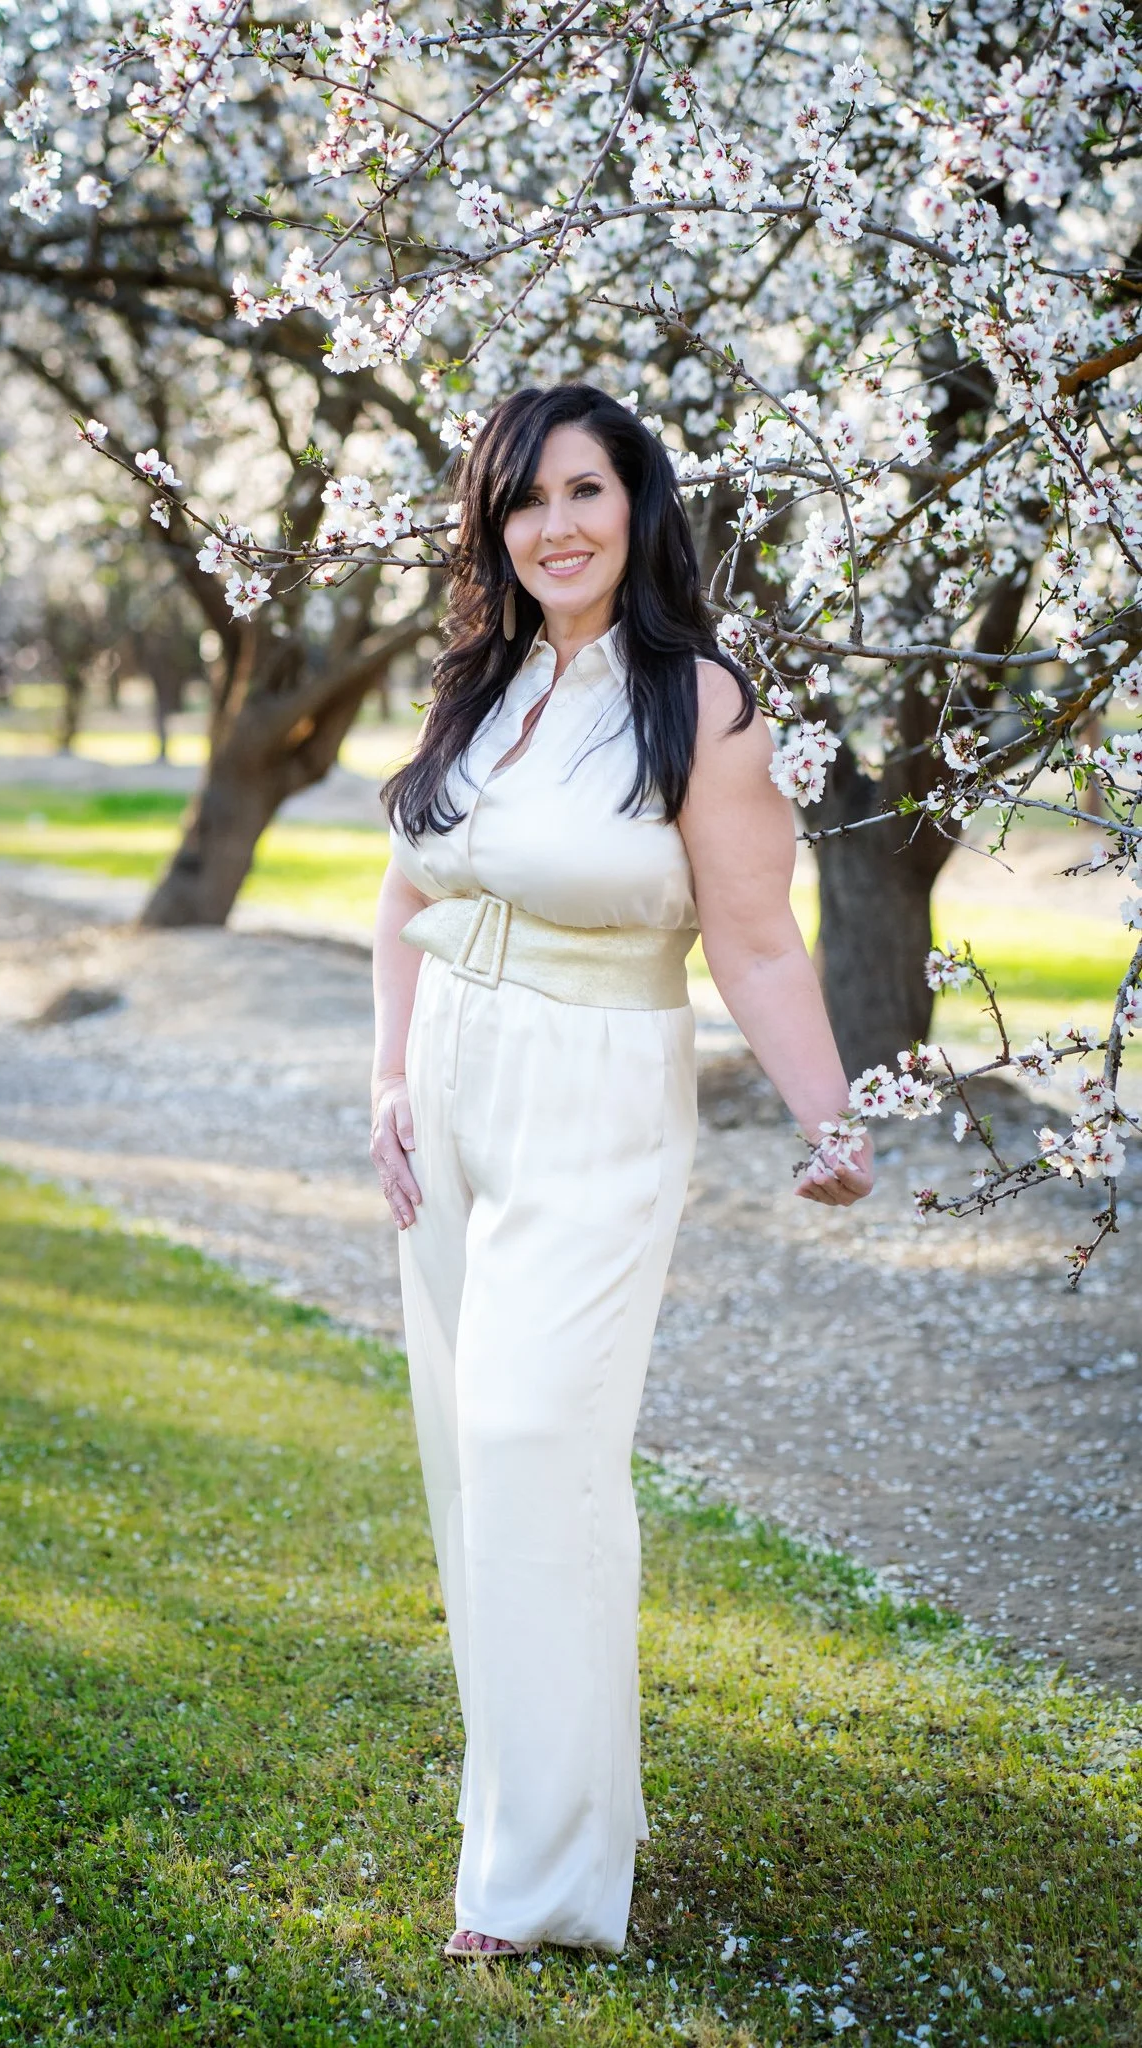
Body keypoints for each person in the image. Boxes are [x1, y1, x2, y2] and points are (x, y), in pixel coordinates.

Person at [369, 382, 873, 1961]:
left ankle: (538, 1892)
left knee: (533, 1444)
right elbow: (408, 888)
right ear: (493, 527)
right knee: (478, 1474)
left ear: (638, 507)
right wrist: (386, 1077)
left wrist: (828, 1117)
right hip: (447, 1089)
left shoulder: (699, 702)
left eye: (585, 490)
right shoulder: (482, 681)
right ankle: (554, 1803)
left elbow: (757, 936)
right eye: (524, 501)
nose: (556, 526)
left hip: (592, 1089)